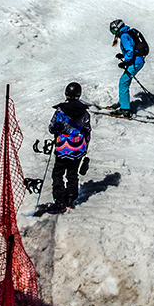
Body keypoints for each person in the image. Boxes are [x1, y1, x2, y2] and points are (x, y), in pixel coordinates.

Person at [46, 82, 91, 213]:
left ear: (66, 94)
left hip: (62, 148)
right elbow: (87, 131)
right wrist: (85, 147)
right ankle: (71, 199)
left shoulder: (60, 111)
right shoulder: (85, 112)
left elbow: (52, 128)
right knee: (72, 174)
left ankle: (59, 201)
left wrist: (59, 129)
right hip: (78, 147)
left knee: (58, 174)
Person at [110, 19, 148, 117]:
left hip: (135, 62)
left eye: (113, 31)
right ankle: (123, 101)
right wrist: (123, 56)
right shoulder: (128, 32)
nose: (114, 33)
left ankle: (125, 108)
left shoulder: (124, 35)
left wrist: (125, 61)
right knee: (124, 81)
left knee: (123, 82)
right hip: (137, 60)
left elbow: (130, 51)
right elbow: (132, 49)